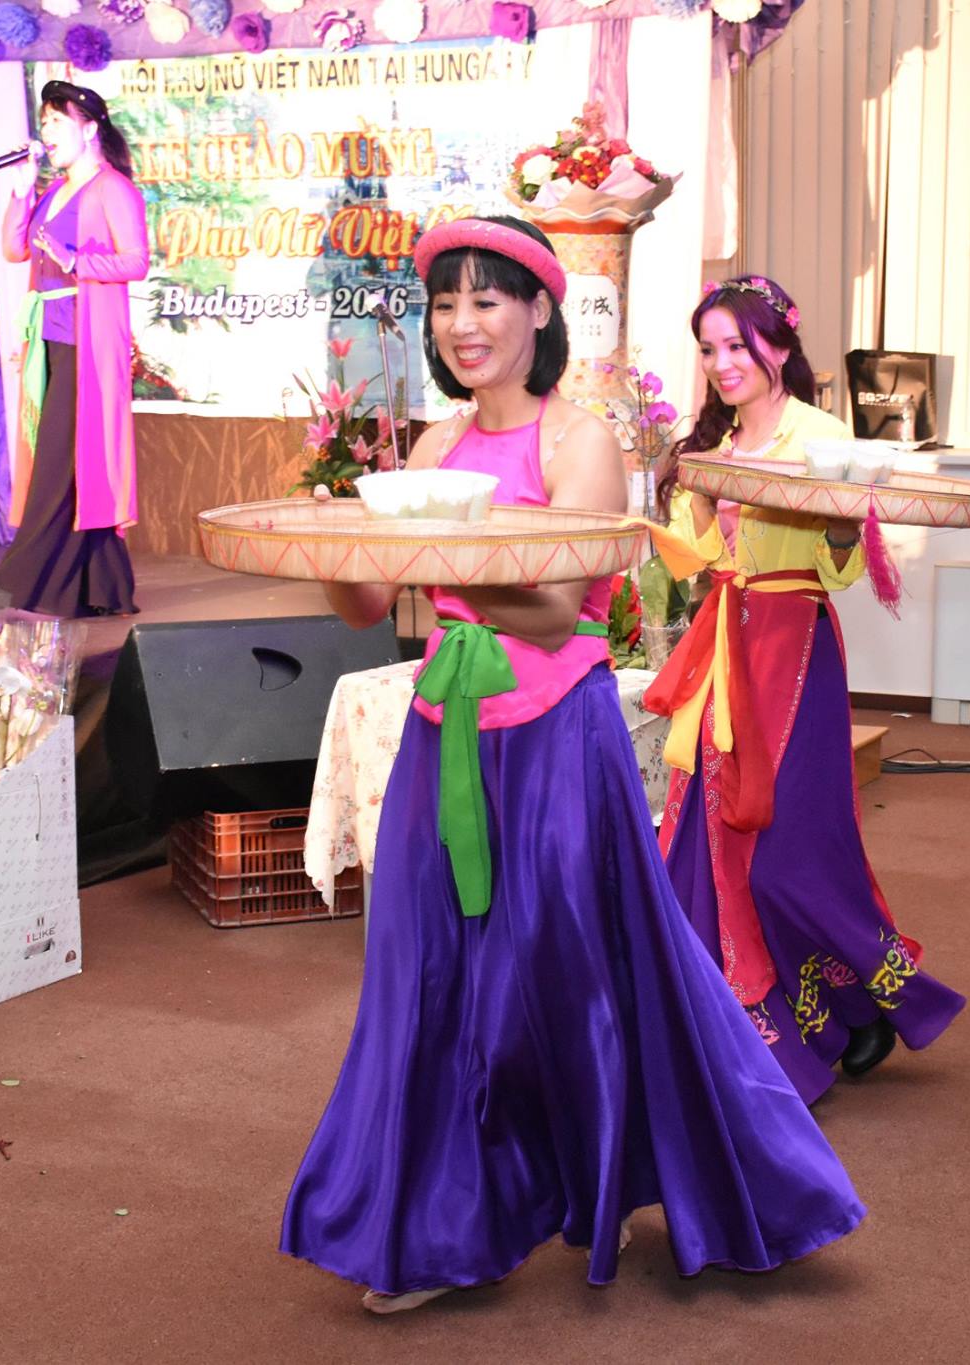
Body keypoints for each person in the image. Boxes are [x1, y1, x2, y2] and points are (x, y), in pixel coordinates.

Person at [280, 219, 864, 1313]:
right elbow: (365, 604)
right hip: (449, 726)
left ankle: (656, 1167)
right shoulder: (431, 448)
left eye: (486, 300)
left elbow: (555, 612)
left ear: (539, 310)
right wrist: (338, 540)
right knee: (427, 970)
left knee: (574, 965)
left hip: (556, 732)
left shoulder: (579, 440)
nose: (462, 325)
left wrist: (430, 548)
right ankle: (440, 1224)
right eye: (445, 305)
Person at [646, 276, 964, 1105]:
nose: (722, 362)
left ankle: (864, 1000)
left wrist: (840, 524)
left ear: (780, 345)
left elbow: (840, 569)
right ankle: (778, 1028)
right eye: (708, 348)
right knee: (708, 839)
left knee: (792, 850)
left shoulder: (821, 436)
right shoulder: (711, 443)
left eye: (737, 344)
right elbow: (692, 559)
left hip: (794, 645)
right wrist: (696, 501)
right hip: (723, 640)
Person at [0, 81, 147, 618]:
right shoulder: (54, 190)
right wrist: (21, 192)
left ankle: (21, 580)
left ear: (90, 128)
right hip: (49, 337)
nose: (47, 132)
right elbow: (15, 250)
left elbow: (136, 261)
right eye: (44, 122)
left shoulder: (112, 189)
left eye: (57, 121)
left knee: (58, 460)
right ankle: (102, 586)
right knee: (65, 460)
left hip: (87, 341)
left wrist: (77, 260)